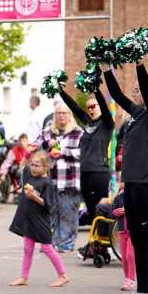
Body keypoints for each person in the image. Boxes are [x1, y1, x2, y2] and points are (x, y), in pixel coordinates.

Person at [102, 58, 148, 294]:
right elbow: (117, 95)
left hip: (146, 184)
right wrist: (106, 70)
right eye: (134, 90)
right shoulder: (137, 114)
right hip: (131, 184)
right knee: (138, 241)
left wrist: (140, 64)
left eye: (138, 89)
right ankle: (141, 292)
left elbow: (144, 85)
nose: (133, 93)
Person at [25, 103, 83, 252]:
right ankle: (50, 243)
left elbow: (84, 153)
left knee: (68, 212)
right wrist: (46, 144)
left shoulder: (78, 132)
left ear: (70, 115)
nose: (61, 116)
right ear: (54, 116)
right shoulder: (47, 132)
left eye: (64, 113)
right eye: (58, 113)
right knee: (50, 212)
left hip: (70, 180)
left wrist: (64, 152)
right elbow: (35, 148)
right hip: (49, 180)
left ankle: (67, 243)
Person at [8, 151, 69, 287]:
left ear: (47, 166)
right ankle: (24, 277)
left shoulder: (46, 182)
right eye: (32, 164)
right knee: (27, 249)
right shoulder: (29, 175)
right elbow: (22, 164)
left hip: (40, 221)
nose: (33, 168)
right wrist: (28, 152)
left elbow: (48, 204)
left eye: (37, 165)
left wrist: (34, 196)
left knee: (47, 248)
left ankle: (63, 275)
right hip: (28, 221)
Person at [59, 88, 114, 227]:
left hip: (98, 172)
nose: (90, 110)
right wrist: (61, 91)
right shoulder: (87, 122)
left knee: (99, 209)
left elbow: (103, 104)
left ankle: (102, 242)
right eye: (88, 107)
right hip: (84, 171)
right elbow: (74, 107)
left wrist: (95, 89)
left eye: (93, 107)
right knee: (90, 210)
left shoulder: (106, 123)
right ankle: (94, 242)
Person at [111, 184, 136, 291]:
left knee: (130, 255)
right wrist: (118, 212)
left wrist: (128, 211)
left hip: (132, 231)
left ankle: (132, 279)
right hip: (121, 231)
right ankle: (127, 278)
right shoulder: (118, 197)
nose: (123, 184)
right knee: (124, 257)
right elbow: (112, 212)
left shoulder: (134, 196)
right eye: (122, 181)